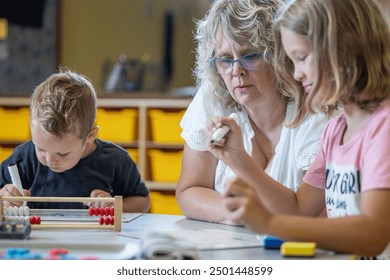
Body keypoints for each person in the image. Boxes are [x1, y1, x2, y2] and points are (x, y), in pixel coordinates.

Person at [221, 0, 390, 259]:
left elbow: (373, 234)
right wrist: (239, 160)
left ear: (344, 48)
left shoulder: (383, 126)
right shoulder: (336, 130)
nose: (297, 74)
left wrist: (269, 223)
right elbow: (299, 209)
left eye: (301, 58)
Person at [176, 0, 333, 224]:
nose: (236, 71)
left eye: (250, 56)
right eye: (225, 59)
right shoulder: (214, 94)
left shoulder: (317, 107)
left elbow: (307, 213)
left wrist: (254, 214)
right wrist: (239, 214)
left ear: (281, 55)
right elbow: (190, 190)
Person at [0, 69, 150, 212]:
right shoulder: (23, 158)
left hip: (93, 238)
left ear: (90, 135)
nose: (50, 160)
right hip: (35, 237)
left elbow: (143, 202)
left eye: (63, 153)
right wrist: (5, 196)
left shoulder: (116, 161)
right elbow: (3, 194)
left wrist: (114, 205)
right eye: (40, 148)